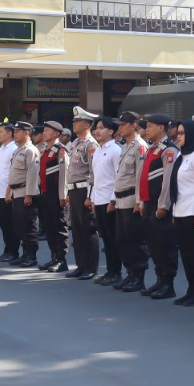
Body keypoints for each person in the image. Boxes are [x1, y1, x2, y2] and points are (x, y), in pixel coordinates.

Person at [164, 120, 194, 307]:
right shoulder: (183, 155)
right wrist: (175, 212)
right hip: (181, 211)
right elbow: (178, 187)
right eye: (178, 133)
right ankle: (191, 290)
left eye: (182, 133)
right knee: (186, 254)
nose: (178, 136)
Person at [139, 114, 180, 299]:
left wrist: (163, 205)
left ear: (161, 128)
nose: (146, 129)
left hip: (159, 204)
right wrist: (141, 202)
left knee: (164, 244)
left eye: (150, 126)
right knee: (153, 244)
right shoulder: (150, 149)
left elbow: (168, 181)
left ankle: (168, 283)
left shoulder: (168, 150)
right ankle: (159, 279)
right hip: (148, 203)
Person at [112, 112, 151, 292]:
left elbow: (140, 177)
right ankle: (130, 272)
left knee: (135, 239)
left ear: (134, 125)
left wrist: (138, 202)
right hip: (120, 199)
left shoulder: (140, 146)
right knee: (122, 239)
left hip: (131, 200)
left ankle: (139, 275)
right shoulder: (125, 146)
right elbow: (120, 175)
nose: (119, 127)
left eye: (123, 124)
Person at [64, 108, 101, 280]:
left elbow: (94, 172)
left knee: (88, 229)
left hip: (84, 189)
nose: (73, 124)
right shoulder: (75, 143)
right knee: (77, 231)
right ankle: (81, 265)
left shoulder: (91, 144)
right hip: (74, 189)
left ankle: (91, 267)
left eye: (77, 121)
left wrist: (90, 196)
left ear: (86, 124)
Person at [89, 117, 124, 285]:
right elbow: (96, 178)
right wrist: (94, 199)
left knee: (113, 238)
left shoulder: (115, 150)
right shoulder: (98, 150)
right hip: (99, 199)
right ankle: (110, 271)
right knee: (105, 238)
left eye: (101, 128)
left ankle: (116, 272)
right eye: (96, 128)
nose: (97, 130)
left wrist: (113, 200)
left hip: (110, 200)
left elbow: (118, 177)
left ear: (111, 131)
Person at [32, 120, 70, 273]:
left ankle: (61, 260)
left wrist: (63, 195)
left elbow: (64, 174)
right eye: (45, 130)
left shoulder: (60, 150)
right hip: (45, 194)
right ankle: (54, 257)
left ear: (56, 134)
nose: (44, 132)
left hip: (55, 194)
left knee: (59, 227)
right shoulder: (44, 150)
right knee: (48, 227)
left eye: (48, 130)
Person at [5, 122, 42, 267]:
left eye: (17, 131)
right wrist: (8, 192)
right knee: (19, 226)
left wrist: (29, 195)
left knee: (29, 226)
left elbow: (32, 174)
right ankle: (24, 253)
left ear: (27, 133)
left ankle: (31, 256)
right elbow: (13, 174)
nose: (14, 134)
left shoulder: (30, 151)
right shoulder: (17, 151)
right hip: (16, 192)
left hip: (25, 192)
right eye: (14, 131)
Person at [0, 122, 20, 262]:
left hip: (8, 193)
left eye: (1, 131)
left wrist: (9, 191)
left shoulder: (13, 149)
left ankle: (13, 251)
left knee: (10, 224)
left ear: (10, 133)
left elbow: (13, 173)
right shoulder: (2, 148)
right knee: (3, 223)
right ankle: (7, 249)